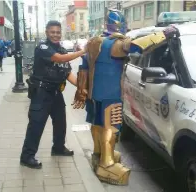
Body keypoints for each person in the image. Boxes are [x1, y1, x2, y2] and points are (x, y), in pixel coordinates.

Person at [72, 9, 142, 185]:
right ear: (122, 25)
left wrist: (82, 90)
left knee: (97, 125)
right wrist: (164, 34)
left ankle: (98, 154)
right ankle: (107, 163)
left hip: (94, 94)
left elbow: (83, 68)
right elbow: (136, 46)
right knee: (111, 127)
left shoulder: (94, 42)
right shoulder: (116, 44)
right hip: (111, 94)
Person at [20, 20, 87, 169]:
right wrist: (83, 51)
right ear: (47, 32)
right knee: (36, 125)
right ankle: (27, 156)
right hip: (41, 93)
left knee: (60, 122)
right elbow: (59, 59)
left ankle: (58, 148)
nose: (56, 35)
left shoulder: (62, 50)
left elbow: (68, 73)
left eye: (58, 32)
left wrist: (82, 87)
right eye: (52, 32)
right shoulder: (43, 48)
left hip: (56, 92)